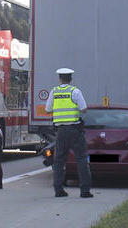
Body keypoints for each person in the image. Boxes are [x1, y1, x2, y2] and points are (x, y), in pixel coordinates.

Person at [45, 68, 93, 198]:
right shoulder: (75, 91)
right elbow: (84, 109)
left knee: (59, 161)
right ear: (71, 79)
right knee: (82, 159)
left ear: (59, 79)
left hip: (60, 131)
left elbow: (48, 109)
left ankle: (58, 190)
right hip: (75, 130)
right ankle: (85, 191)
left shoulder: (54, 92)